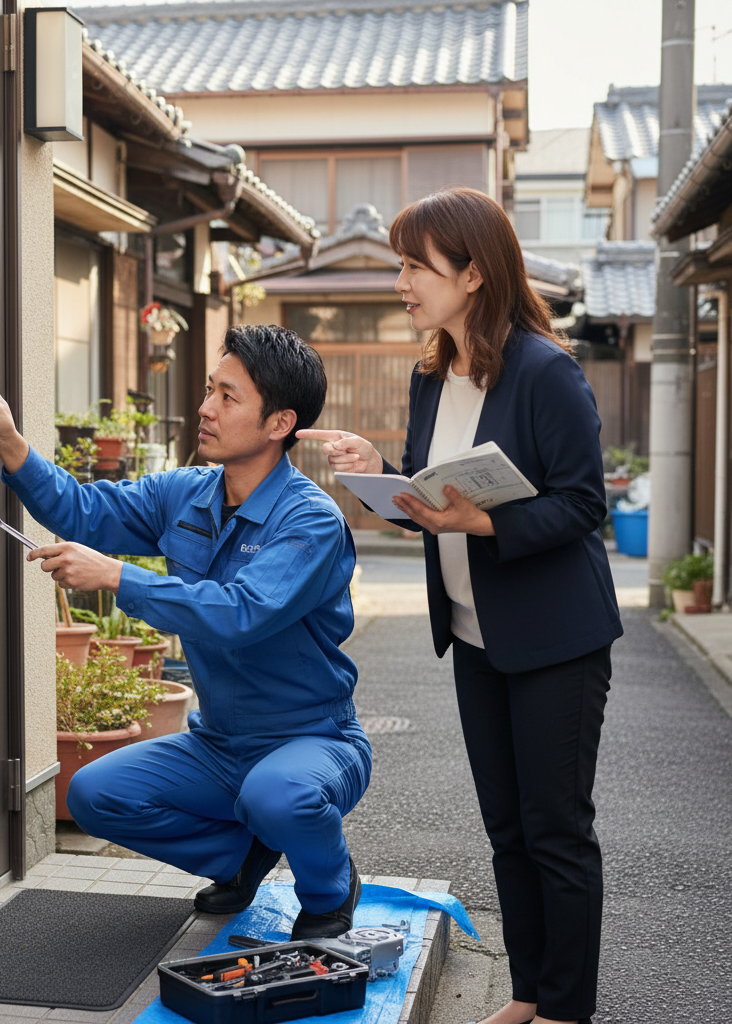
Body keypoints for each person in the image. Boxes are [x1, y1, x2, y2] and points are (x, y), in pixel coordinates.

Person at [299, 188, 622, 1024]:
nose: (402, 282)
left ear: (473, 273)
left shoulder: (545, 370)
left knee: (556, 830)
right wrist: (379, 471)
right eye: (401, 265)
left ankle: (566, 1010)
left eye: (416, 266)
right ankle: (528, 993)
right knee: (506, 828)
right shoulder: (430, 375)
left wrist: (484, 521)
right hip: (476, 636)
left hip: (555, 639)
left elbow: (583, 504)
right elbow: (429, 495)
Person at [0, 323, 372, 939]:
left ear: (279, 423)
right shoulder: (185, 494)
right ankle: (242, 858)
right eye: (210, 390)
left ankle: (330, 891)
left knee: (278, 796)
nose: (205, 408)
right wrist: (11, 445)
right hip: (220, 745)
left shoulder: (310, 521)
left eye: (228, 397)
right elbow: (83, 511)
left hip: (313, 740)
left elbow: (239, 614)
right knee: (94, 794)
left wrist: (116, 576)